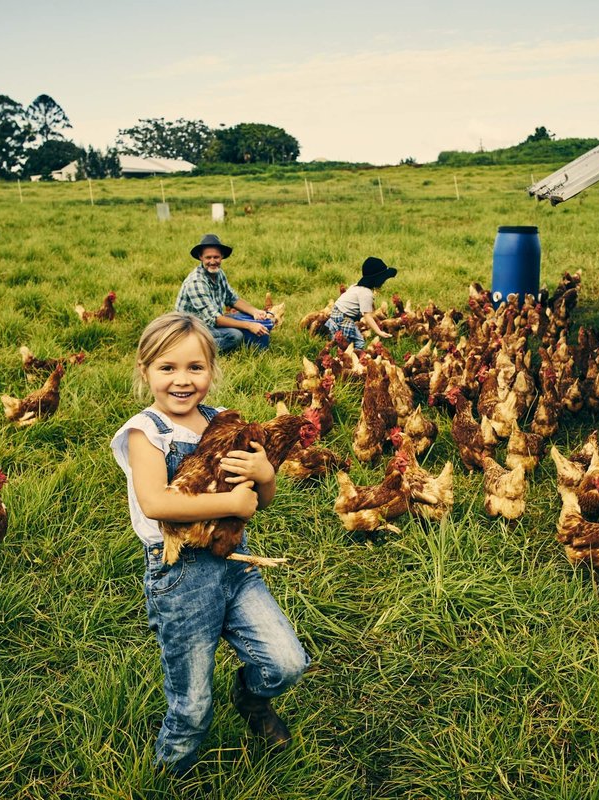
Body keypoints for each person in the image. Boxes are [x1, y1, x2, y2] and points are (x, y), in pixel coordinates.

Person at [111, 312, 309, 777]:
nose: (182, 380)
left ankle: (251, 698)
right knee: (193, 705)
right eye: (167, 368)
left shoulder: (225, 422)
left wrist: (264, 475)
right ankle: (167, 776)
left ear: (212, 370)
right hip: (180, 574)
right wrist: (231, 502)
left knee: (287, 663)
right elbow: (156, 503)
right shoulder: (146, 433)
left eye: (195, 367)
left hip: (234, 564)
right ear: (145, 370)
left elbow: (260, 500)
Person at [175, 233, 272, 354]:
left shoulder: (219, 273)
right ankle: (191, 348)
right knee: (235, 335)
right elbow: (214, 319)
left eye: (216, 257)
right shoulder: (196, 282)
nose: (212, 261)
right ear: (201, 257)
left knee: (245, 317)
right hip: (190, 328)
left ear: (222, 257)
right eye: (208, 257)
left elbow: (232, 298)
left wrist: (255, 311)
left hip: (208, 322)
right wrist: (249, 325)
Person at [326, 256, 398, 349]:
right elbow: (367, 316)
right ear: (377, 279)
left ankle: (336, 341)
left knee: (341, 338)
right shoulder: (366, 293)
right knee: (359, 342)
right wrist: (379, 332)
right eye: (383, 279)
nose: (383, 281)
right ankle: (349, 353)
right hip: (343, 317)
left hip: (336, 313)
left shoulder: (356, 286)